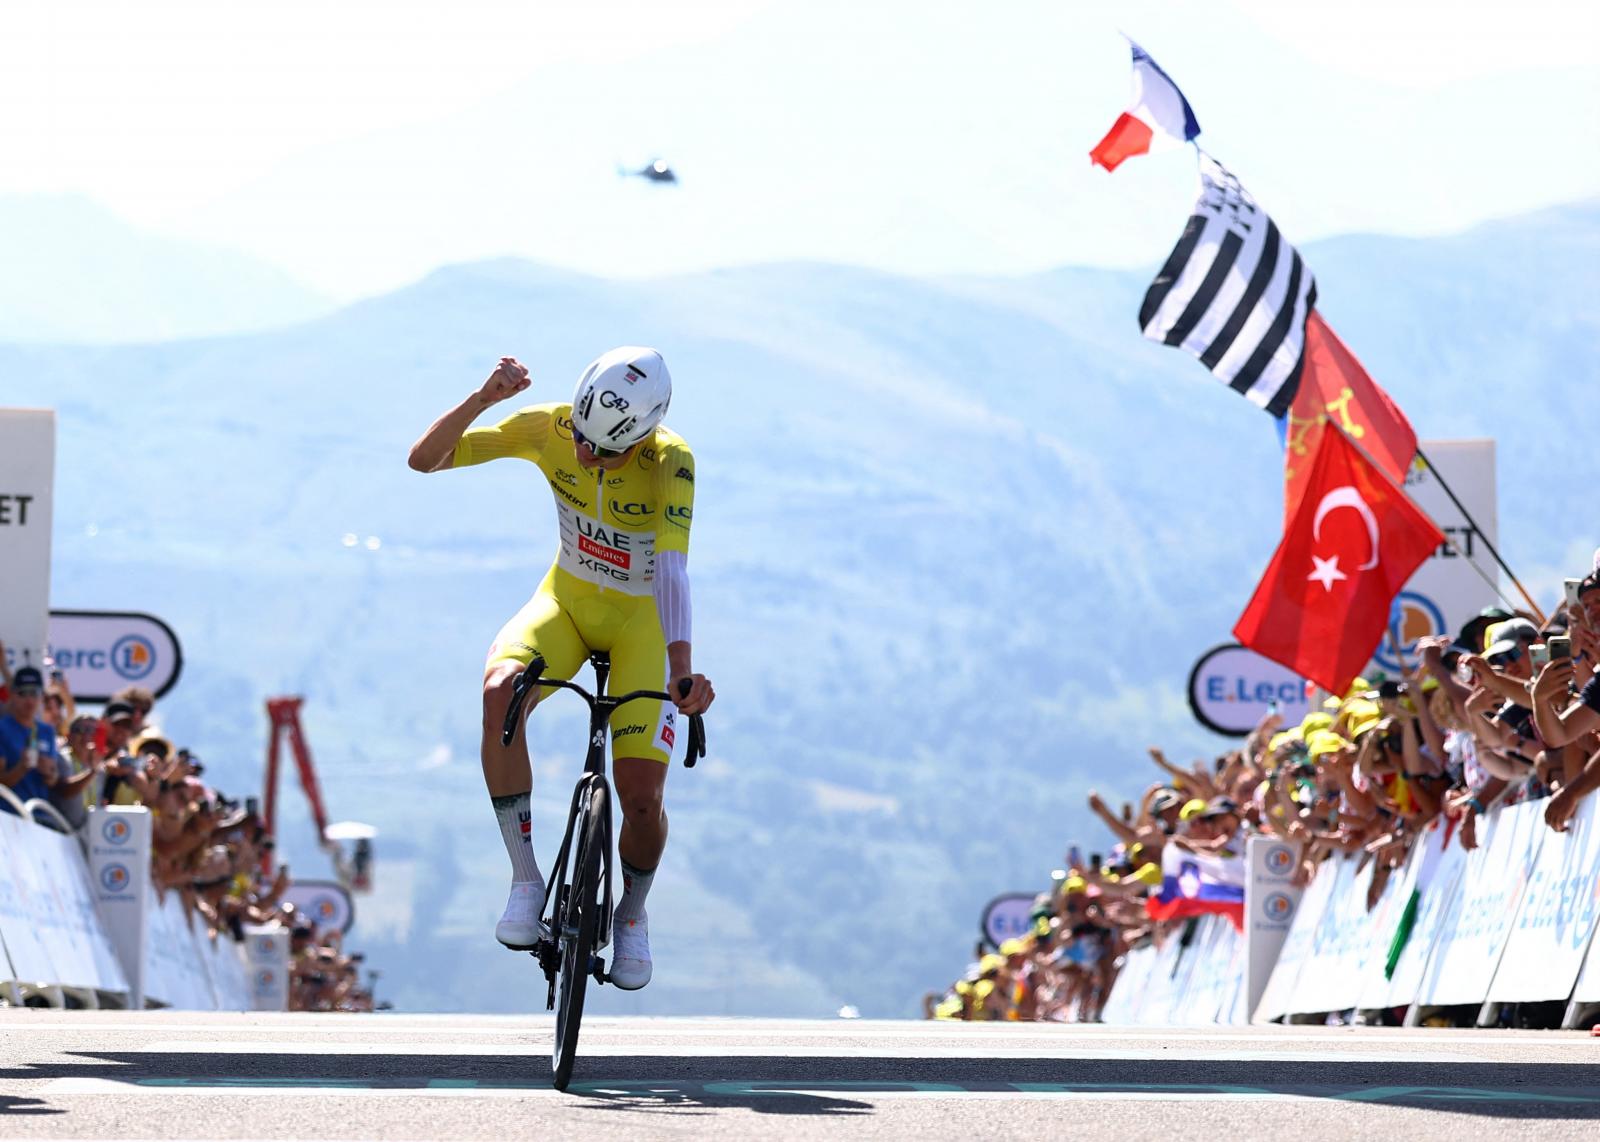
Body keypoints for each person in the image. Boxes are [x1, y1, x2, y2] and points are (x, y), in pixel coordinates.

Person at [408, 348, 715, 991]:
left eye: (604, 453)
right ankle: (525, 878)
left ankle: (631, 915)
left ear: (645, 433)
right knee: (500, 694)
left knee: (640, 798)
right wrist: (483, 398)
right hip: (565, 606)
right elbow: (424, 459)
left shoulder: (670, 462)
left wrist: (681, 668)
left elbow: (673, 569)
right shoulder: (550, 428)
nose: (584, 457)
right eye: (581, 438)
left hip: (642, 629)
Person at [0, 666, 60, 813]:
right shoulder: (2, 729)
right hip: (7, 818)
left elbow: (53, 780)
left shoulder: (47, 731)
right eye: (23, 693)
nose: (29, 700)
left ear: (42, 697)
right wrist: (21, 768)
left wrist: (49, 774)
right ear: (12, 695)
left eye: (34, 693)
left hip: (39, 817)